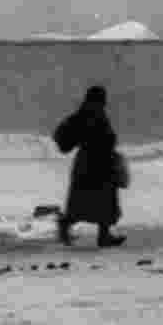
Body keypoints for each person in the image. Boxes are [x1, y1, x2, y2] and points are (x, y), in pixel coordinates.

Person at [53, 85, 127, 248]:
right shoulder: (92, 114)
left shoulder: (86, 113)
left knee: (86, 203)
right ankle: (101, 236)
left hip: (91, 164)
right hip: (95, 165)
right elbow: (100, 137)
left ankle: (70, 227)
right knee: (100, 202)